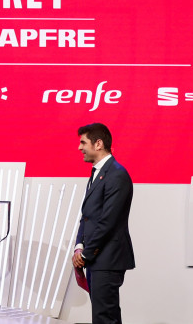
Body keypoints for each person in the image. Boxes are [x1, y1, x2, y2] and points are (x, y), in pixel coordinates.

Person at [71, 122, 135, 324]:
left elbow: (108, 221)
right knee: (104, 316)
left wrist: (87, 253)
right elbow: (87, 215)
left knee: (104, 317)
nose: (79, 148)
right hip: (96, 259)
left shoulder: (117, 174)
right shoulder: (98, 173)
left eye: (83, 142)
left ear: (98, 144)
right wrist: (79, 246)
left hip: (107, 259)